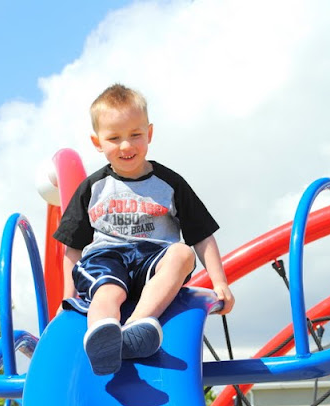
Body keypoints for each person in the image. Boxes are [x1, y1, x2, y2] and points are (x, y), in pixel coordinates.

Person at [53, 83, 234, 376]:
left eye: (135, 135)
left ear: (149, 134)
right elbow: (73, 247)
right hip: (107, 258)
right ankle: (102, 335)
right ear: (97, 142)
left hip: (154, 259)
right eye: (114, 138)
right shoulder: (93, 188)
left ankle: (136, 326)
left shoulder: (170, 183)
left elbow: (201, 235)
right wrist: (68, 298)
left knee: (181, 253)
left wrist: (220, 281)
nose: (126, 146)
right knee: (107, 291)